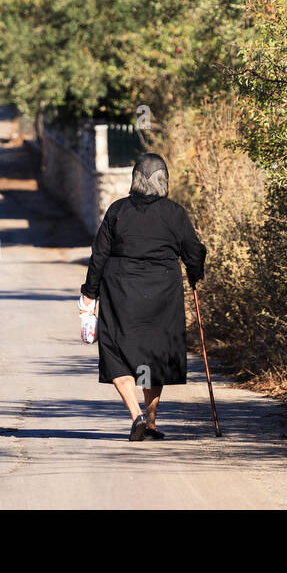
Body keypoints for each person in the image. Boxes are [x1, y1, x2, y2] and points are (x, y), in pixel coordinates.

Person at [79, 152, 206, 441]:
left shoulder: (117, 210)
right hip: (163, 290)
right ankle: (150, 424)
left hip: (121, 289)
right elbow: (194, 251)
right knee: (155, 353)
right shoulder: (175, 213)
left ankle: (135, 413)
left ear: (135, 178)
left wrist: (89, 294)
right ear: (164, 180)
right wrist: (195, 272)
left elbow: (99, 256)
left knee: (116, 353)